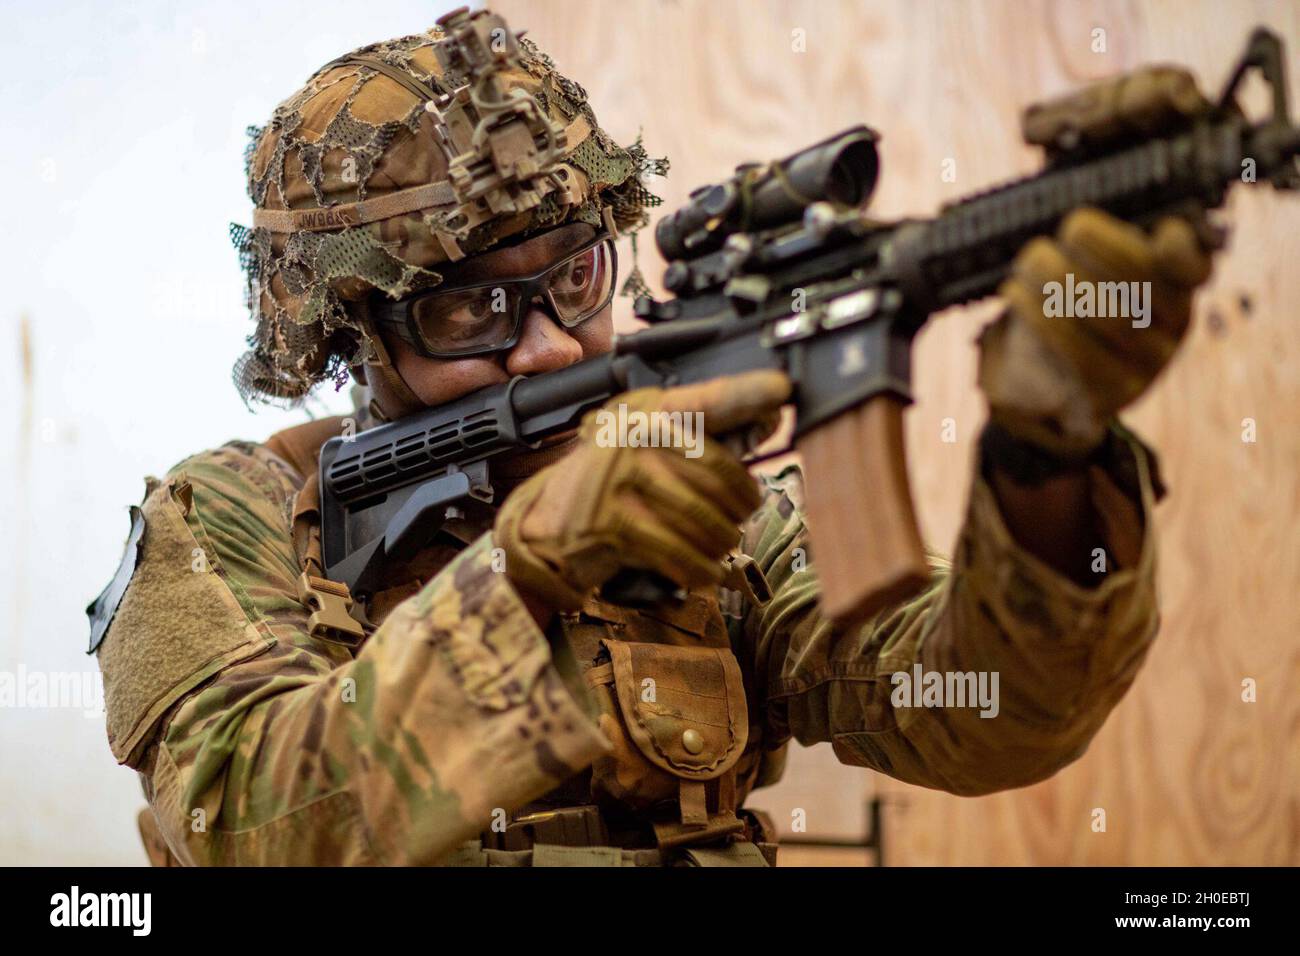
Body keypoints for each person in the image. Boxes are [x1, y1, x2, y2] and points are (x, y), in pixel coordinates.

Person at [89, 8, 1214, 866]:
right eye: (466, 310)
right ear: (350, 331)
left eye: (574, 278)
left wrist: (1047, 450)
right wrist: (522, 572)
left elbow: (983, 718)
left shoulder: (716, 517)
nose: (545, 350)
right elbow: (249, 820)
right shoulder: (223, 519)